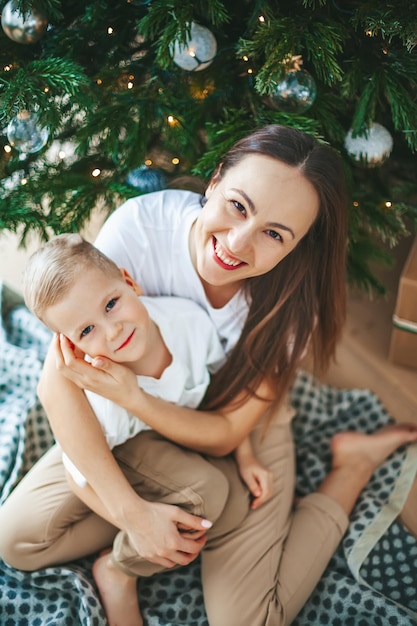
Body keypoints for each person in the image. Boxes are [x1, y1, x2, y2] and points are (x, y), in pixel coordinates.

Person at [1, 124, 417, 626]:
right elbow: (57, 381)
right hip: (132, 422)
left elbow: (225, 433)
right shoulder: (138, 231)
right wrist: (134, 516)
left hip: (226, 417)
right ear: (216, 180)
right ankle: (160, 530)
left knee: (250, 620)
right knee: (17, 541)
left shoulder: (287, 308)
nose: (237, 244)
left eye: (274, 234)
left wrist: (139, 403)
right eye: (239, 206)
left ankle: (349, 467)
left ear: (296, 245)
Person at [19, 232, 273, 625]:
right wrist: (135, 523)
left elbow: (223, 393)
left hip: (167, 437)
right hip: (117, 449)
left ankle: (119, 568)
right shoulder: (101, 401)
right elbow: (82, 478)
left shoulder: (188, 324)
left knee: (217, 500)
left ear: (129, 282)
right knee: (17, 546)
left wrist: (247, 452)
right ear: (70, 347)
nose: (113, 330)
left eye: (111, 304)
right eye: (87, 332)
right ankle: (128, 548)